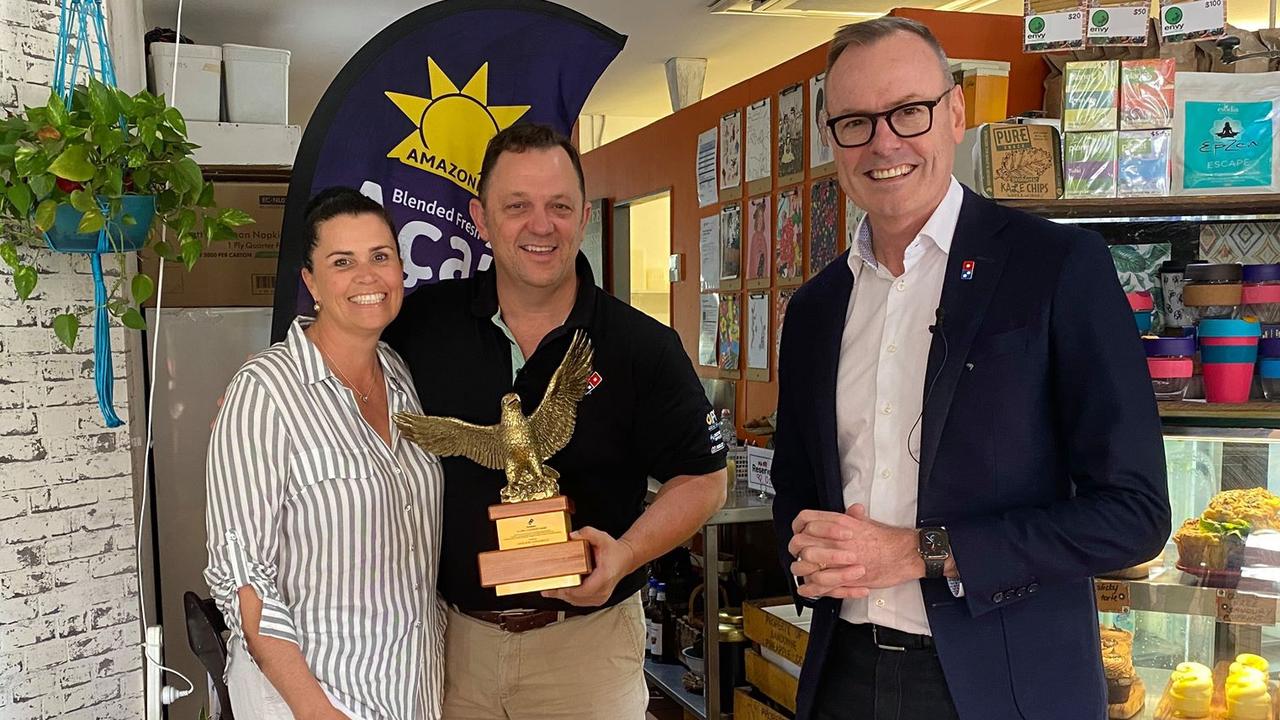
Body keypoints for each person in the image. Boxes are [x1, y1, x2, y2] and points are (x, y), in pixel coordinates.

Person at [770, 18, 1169, 720]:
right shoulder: (814, 309)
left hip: (1009, 685)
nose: (884, 142)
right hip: (843, 677)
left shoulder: (1055, 268)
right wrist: (806, 548)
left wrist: (920, 553)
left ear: (955, 112)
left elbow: (1132, 517)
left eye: (908, 112)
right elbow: (796, 490)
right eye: (855, 122)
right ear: (832, 141)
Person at [383, 123, 728, 720]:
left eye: (559, 207)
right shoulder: (418, 327)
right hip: (446, 648)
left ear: (584, 215)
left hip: (587, 655)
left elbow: (704, 478)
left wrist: (624, 553)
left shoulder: (640, 345)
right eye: (517, 206)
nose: (540, 226)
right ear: (482, 219)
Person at [205, 188, 446, 720]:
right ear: (311, 282)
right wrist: (316, 711)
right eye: (343, 262)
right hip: (312, 697)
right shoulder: (264, 392)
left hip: (412, 689)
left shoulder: (400, 376)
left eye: (381, 257)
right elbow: (244, 578)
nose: (367, 276)